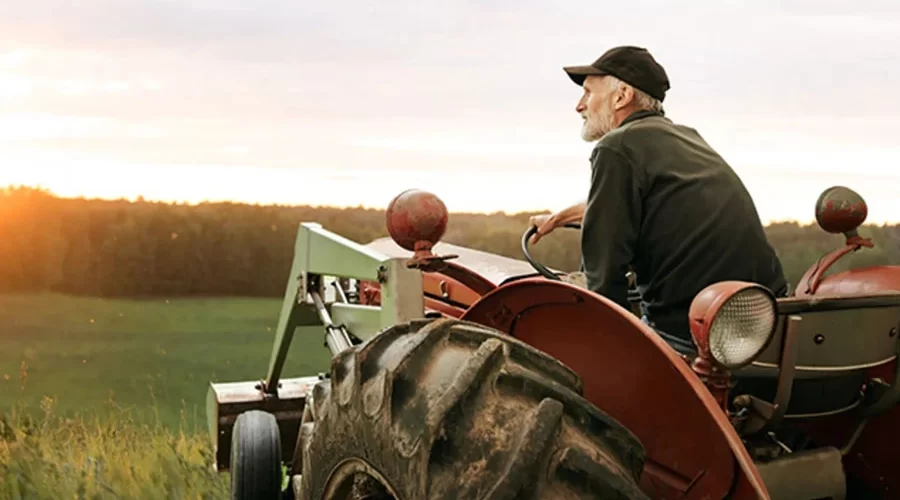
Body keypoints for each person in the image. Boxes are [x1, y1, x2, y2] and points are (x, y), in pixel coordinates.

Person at [530, 46, 789, 355]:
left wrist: (604, 339)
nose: (579, 106)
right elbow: (645, 208)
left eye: (587, 92)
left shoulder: (616, 147)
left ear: (621, 96)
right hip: (765, 318)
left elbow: (605, 271)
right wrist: (559, 218)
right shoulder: (685, 137)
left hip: (693, 333)